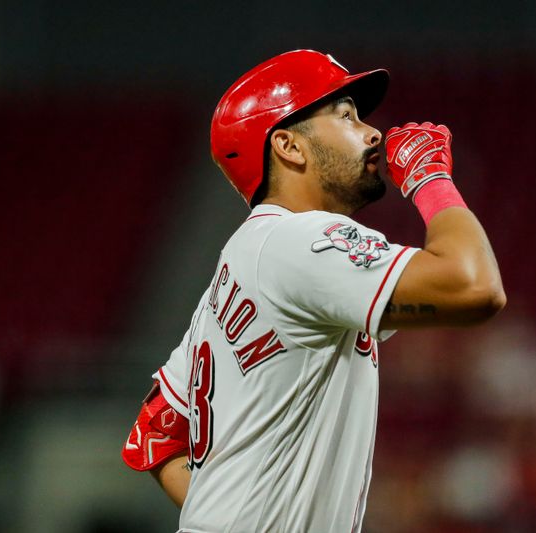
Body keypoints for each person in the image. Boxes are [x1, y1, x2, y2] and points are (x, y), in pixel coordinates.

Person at [122, 49, 505, 532]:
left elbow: (156, 435)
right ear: (289, 147)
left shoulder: (241, 265)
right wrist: (431, 179)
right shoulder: (300, 241)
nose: (372, 133)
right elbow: (474, 288)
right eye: (345, 116)